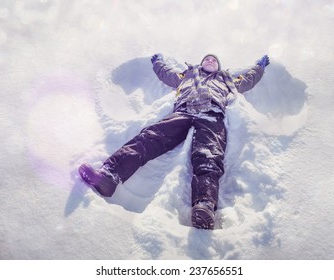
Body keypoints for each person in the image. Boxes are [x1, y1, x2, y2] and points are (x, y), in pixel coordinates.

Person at [79, 53, 270, 230]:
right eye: (207, 59)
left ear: (218, 67)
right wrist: (157, 63)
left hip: (212, 116)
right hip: (183, 112)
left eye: (214, 60)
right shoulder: (186, 75)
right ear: (201, 63)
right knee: (148, 139)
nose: (210, 61)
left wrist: (259, 68)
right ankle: (109, 176)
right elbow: (167, 75)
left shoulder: (227, 79)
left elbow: (247, 80)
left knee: (208, 156)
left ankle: (204, 205)